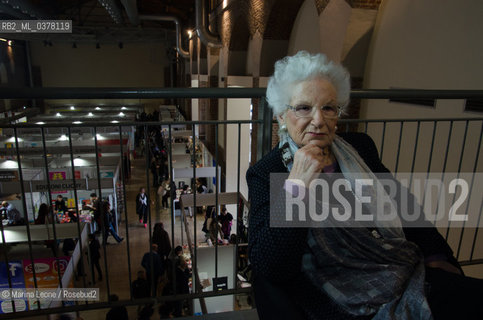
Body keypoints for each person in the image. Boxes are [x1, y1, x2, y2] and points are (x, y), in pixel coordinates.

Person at [246, 51, 483, 320]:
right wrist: (297, 186)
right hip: (334, 295)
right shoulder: (267, 172)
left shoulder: (360, 148)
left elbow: (403, 204)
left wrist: (436, 254)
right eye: (303, 108)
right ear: (280, 116)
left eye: (328, 108)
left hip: (393, 268)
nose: (319, 120)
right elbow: (272, 265)